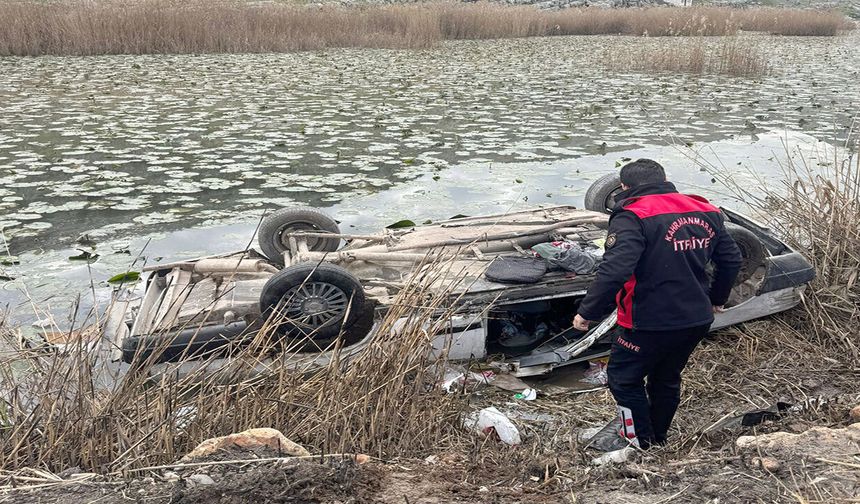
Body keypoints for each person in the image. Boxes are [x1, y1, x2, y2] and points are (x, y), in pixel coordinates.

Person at [573, 159, 742, 452]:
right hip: (696, 317)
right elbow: (732, 259)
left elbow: (616, 270)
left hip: (647, 320)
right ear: (664, 178)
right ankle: (657, 438)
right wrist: (717, 299)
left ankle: (638, 441)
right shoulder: (704, 208)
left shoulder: (632, 215)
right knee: (666, 377)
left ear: (624, 187)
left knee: (624, 380)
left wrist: (588, 312)